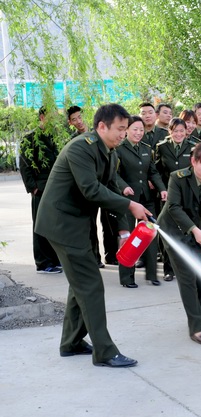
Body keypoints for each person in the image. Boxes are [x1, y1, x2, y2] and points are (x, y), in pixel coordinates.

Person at [35, 103, 150, 368]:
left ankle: (71, 342)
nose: (123, 134)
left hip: (77, 223)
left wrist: (127, 223)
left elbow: (111, 188)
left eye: (125, 129)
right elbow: (91, 189)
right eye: (119, 128)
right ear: (101, 126)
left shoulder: (109, 151)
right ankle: (105, 352)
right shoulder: (81, 148)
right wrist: (129, 206)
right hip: (62, 224)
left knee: (80, 283)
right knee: (90, 284)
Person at [157, 142, 201, 345]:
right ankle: (195, 327)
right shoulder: (177, 178)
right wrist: (195, 231)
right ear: (193, 161)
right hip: (173, 230)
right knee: (187, 276)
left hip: (197, 230)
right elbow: (174, 207)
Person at [115, 115, 168, 287]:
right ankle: (127, 277)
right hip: (128, 201)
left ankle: (152, 275)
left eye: (141, 130)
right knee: (129, 238)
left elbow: (152, 172)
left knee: (150, 235)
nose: (138, 133)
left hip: (146, 199)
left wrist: (162, 188)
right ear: (127, 130)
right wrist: (123, 187)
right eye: (135, 129)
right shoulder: (118, 149)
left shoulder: (146, 148)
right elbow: (113, 174)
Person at [19, 106, 62, 274]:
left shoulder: (55, 137)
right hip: (41, 188)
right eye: (52, 116)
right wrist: (33, 188)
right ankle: (43, 263)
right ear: (42, 117)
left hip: (56, 187)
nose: (55, 120)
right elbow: (25, 165)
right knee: (40, 225)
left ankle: (55, 259)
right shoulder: (30, 138)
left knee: (54, 225)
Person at [155, 118, 195, 281]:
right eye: (175, 131)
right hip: (168, 195)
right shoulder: (162, 147)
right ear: (170, 131)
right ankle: (169, 269)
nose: (178, 134)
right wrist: (161, 189)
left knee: (187, 230)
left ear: (186, 131)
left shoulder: (193, 147)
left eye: (181, 131)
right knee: (167, 232)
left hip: (188, 195)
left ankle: (187, 268)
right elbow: (156, 170)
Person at [68, 105, 103, 268]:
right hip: (83, 187)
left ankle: (100, 256)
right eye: (74, 119)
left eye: (80, 117)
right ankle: (92, 258)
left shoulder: (98, 135)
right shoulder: (72, 140)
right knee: (87, 225)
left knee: (98, 224)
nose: (79, 121)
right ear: (70, 123)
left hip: (99, 184)